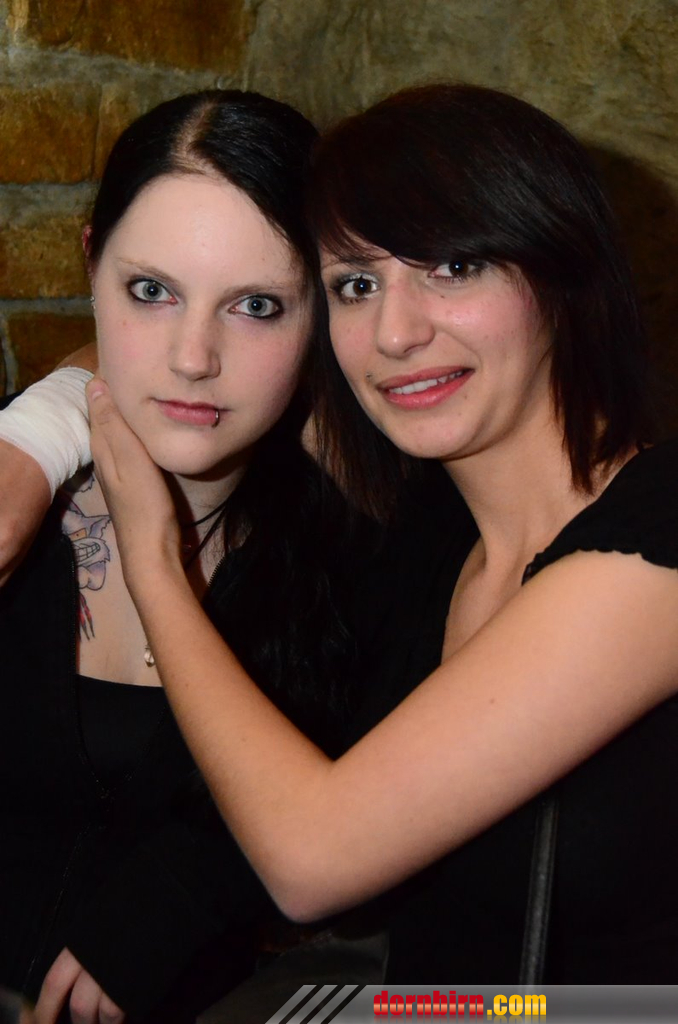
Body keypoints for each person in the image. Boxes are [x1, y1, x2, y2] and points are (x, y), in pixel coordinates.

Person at [4, 82, 678, 987]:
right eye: (357, 284)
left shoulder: (652, 534)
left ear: (564, 266)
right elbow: (177, 362)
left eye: (455, 267)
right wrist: (40, 429)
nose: (395, 332)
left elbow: (313, 861)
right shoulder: (437, 546)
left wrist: (154, 559)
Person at [0, 88, 363, 1024]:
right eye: (151, 291)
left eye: (256, 305)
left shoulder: (358, 550)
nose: (193, 356)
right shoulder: (12, 488)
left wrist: (183, 898)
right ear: (92, 267)